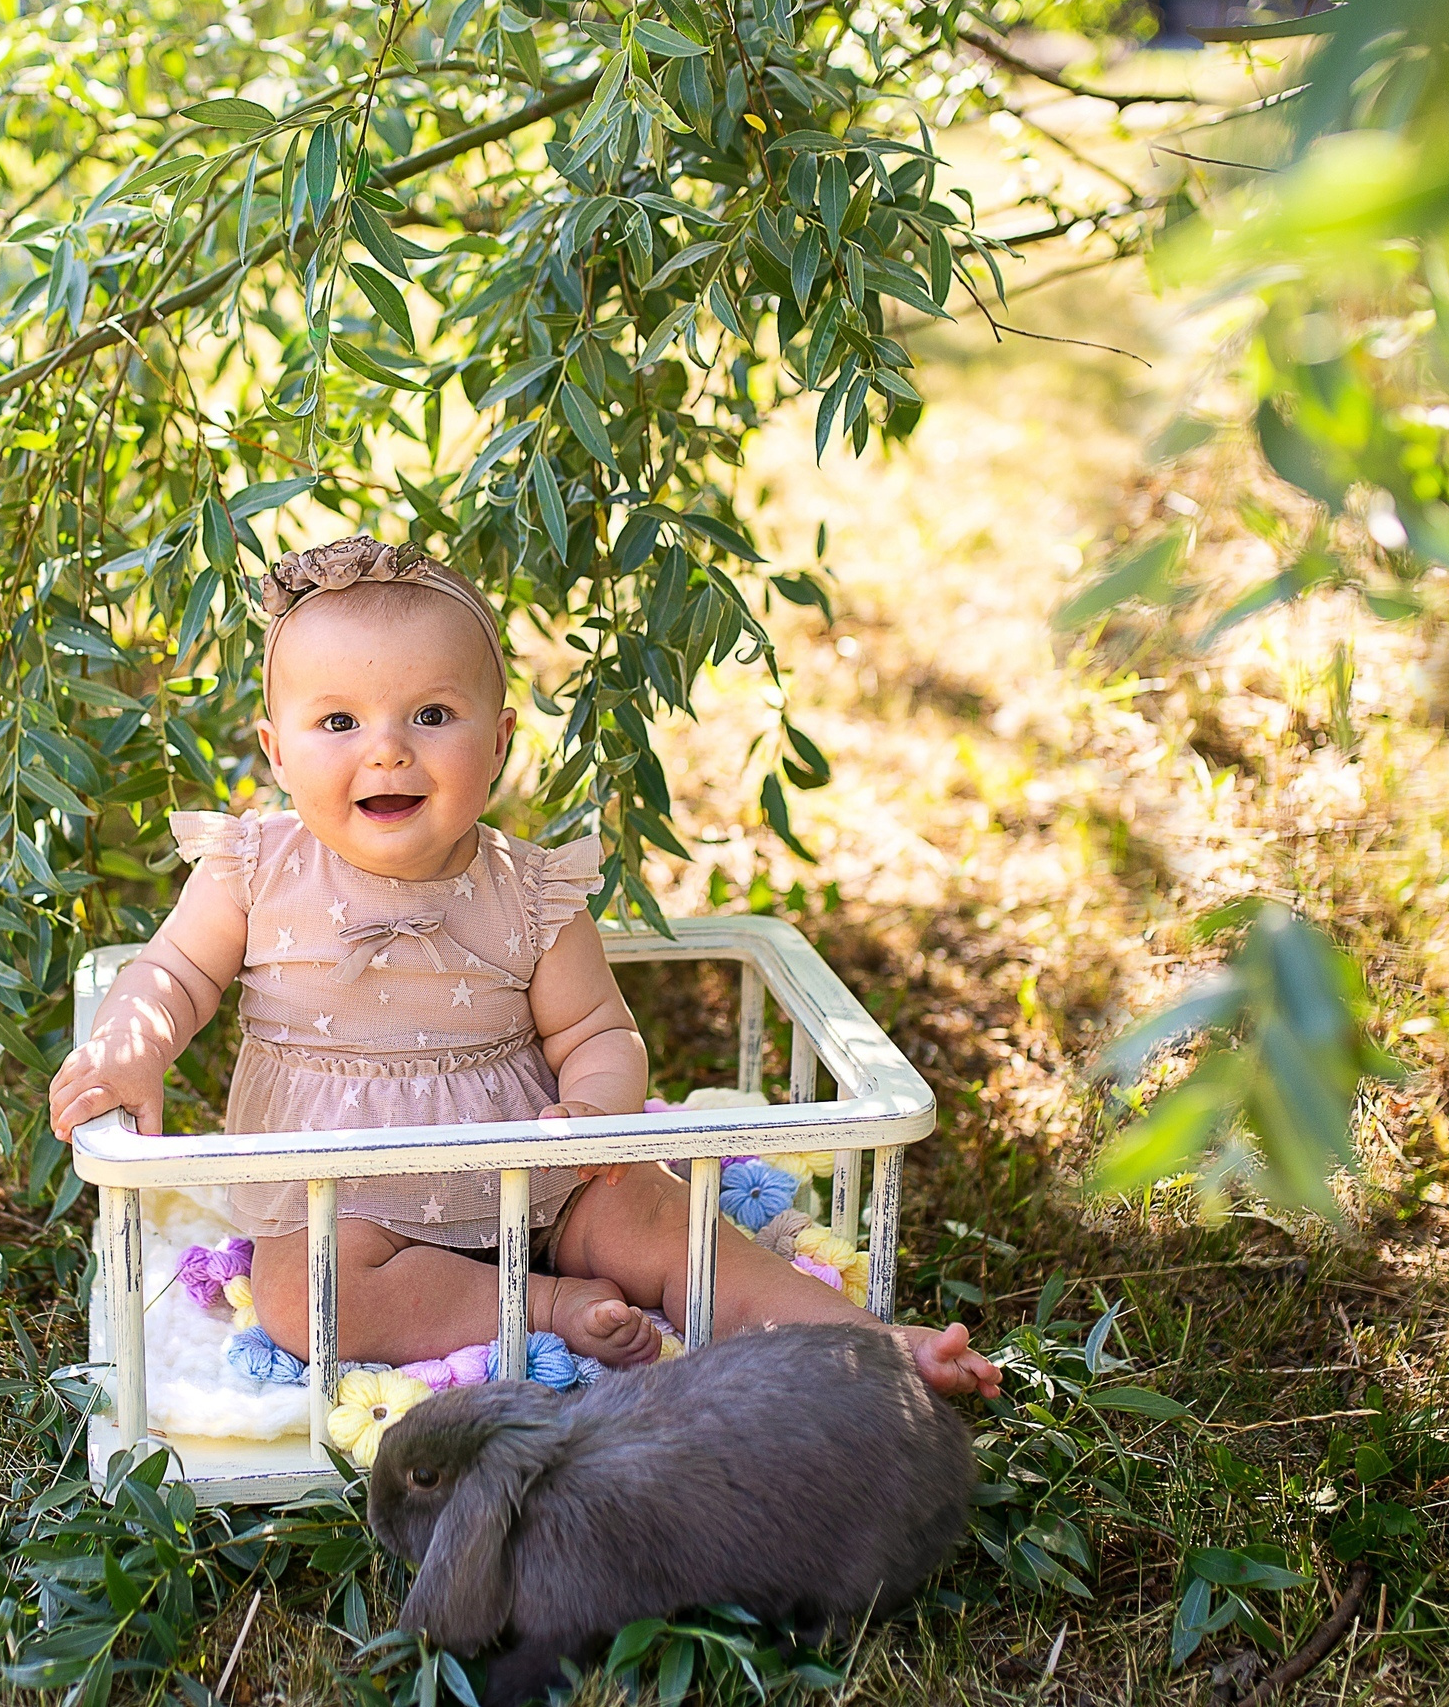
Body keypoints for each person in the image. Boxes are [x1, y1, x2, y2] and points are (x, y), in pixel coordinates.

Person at [48, 536, 1000, 1400]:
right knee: (309, 1297)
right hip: (344, 1196)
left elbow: (599, 1031)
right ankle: (543, 1306)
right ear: (276, 752)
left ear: (499, 741)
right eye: (337, 720)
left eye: (431, 714)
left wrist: (594, 1111)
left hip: (533, 1174)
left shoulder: (533, 891)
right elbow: (172, 975)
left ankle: (872, 1344)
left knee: (668, 1222)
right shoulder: (252, 871)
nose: (387, 749)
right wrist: (132, 1046)